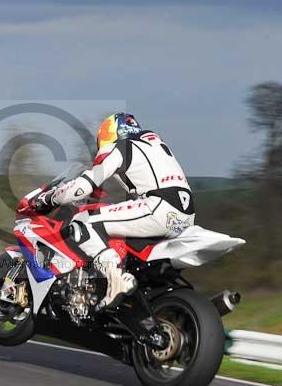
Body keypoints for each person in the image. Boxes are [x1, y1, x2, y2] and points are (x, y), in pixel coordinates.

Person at [31, 113, 195, 310]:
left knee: (84, 221)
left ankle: (113, 278)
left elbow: (83, 186)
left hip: (159, 207)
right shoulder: (155, 143)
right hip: (186, 215)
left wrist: (50, 197)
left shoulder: (120, 148)